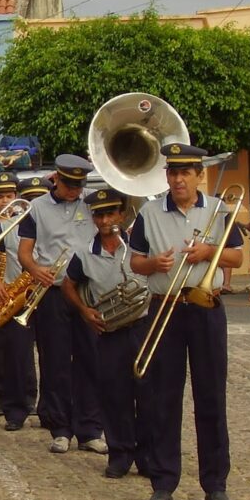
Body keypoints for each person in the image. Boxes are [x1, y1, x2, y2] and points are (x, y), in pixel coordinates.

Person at [129, 144, 242, 500]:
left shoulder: (218, 209)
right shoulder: (149, 212)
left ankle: (215, 484)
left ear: (197, 176)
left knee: (211, 397)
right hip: (166, 308)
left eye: (185, 173)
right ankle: (164, 481)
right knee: (163, 399)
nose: (178, 179)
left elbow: (237, 256)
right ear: (167, 176)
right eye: (173, 173)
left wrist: (209, 252)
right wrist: (153, 265)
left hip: (205, 308)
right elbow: (135, 263)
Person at [62, 187, 154, 478]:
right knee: (115, 394)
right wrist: (84, 311)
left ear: (122, 215)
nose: (104, 220)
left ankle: (149, 456)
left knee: (148, 394)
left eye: (109, 213)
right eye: (98, 215)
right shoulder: (84, 254)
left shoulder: (138, 247)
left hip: (142, 327)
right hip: (110, 331)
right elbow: (68, 284)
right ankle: (120, 454)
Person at [17, 154, 106, 455]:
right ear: (56, 178)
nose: (74, 191)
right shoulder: (37, 209)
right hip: (52, 292)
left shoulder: (91, 204)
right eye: (69, 184)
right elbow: (25, 252)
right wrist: (34, 269)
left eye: (79, 185)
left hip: (85, 290)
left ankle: (90, 428)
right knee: (55, 362)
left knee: (91, 359)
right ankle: (60, 427)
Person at [0, 173, 36, 430]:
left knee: (49, 356)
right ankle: (13, 406)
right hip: (16, 294)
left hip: (46, 294)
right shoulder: (6, 227)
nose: (5, 201)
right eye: (0, 196)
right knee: (13, 352)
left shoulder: (44, 225)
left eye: (9, 196)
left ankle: (40, 403)